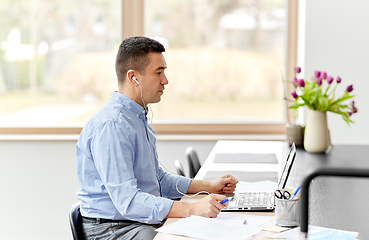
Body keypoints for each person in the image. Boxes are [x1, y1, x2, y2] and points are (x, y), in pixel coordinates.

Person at [75, 36, 238, 240]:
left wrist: (208, 186)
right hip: (115, 229)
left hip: (135, 221)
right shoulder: (113, 126)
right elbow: (129, 201)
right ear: (133, 77)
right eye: (158, 72)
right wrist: (192, 208)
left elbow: (158, 180)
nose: (165, 80)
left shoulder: (135, 117)